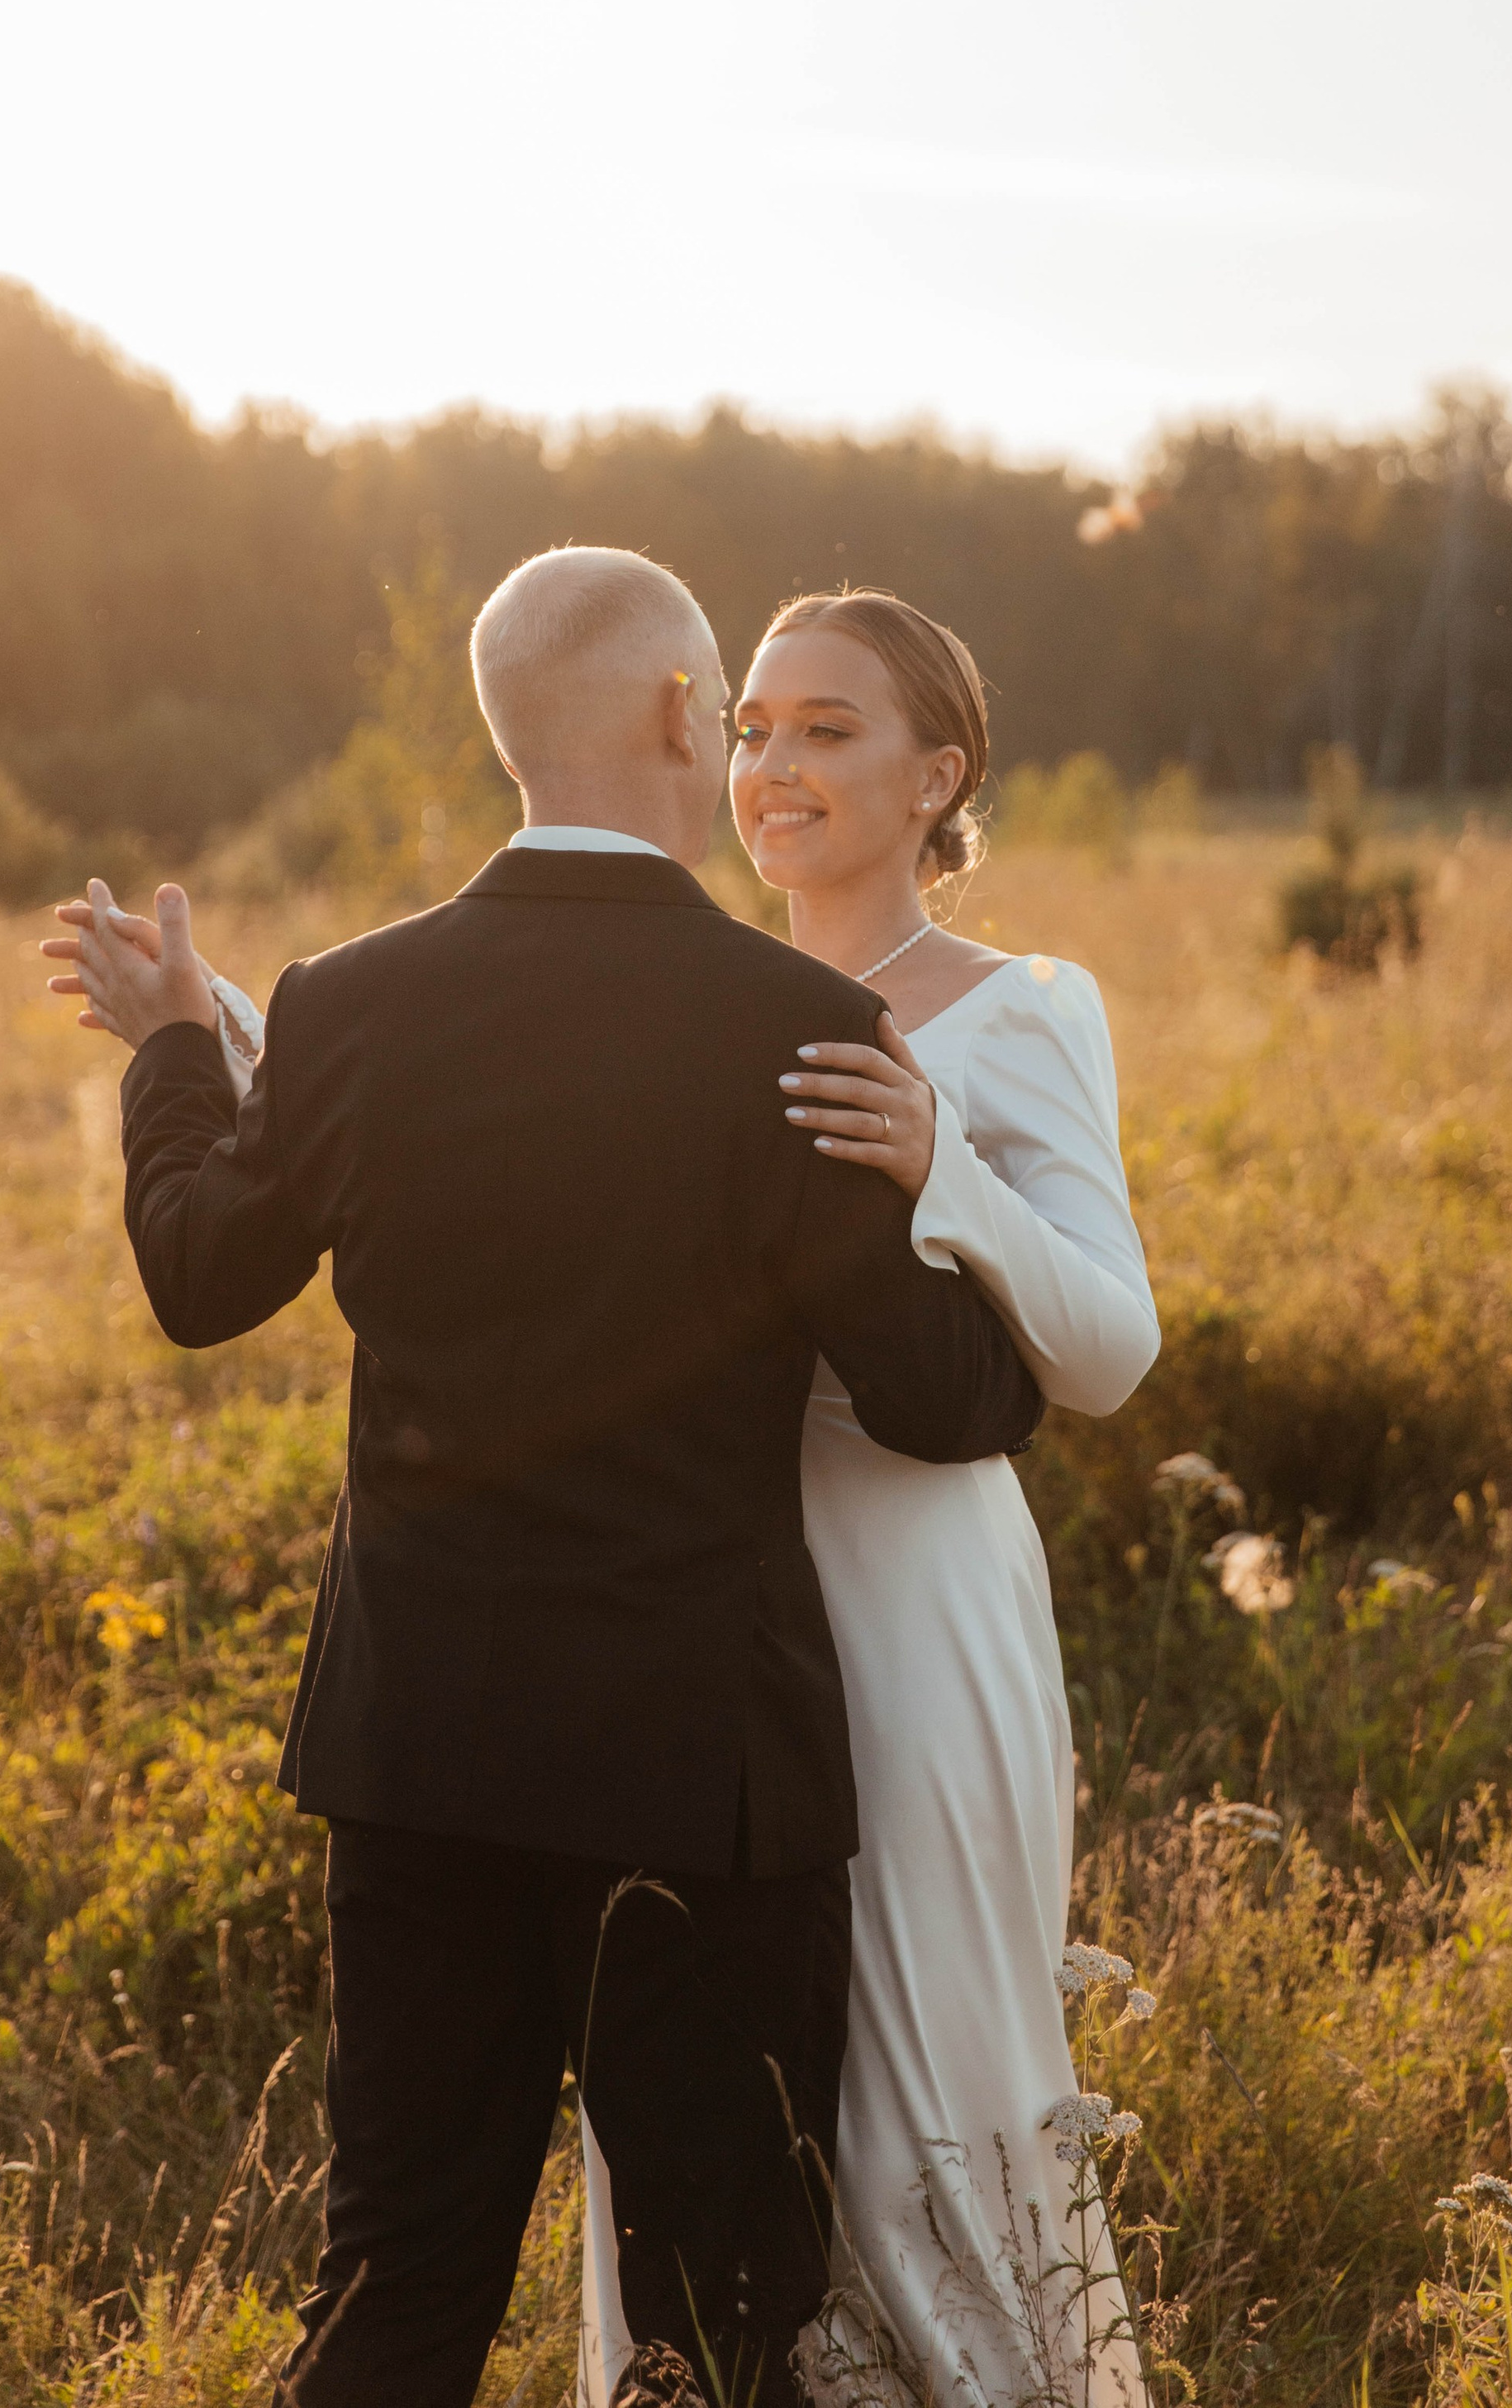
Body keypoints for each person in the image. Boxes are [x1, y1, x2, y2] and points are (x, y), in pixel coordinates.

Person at [43, 548, 1044, 2408]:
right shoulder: (795, 1028)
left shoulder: (351, 1002)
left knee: (398, 2287)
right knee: (713, 2327)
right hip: (701, 1784)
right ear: (682, 714)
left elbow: (197, 1274)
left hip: (417, 1753)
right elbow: (948, 1401)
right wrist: (950, 1188)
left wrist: (181, 1049)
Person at [581, 588, 1162, 2408]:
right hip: (698, 1598)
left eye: (827, 730)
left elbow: (1109, 1346)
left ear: (937, 775)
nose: (772, 766)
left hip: (913, 1593)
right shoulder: (675, 995)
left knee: (914, 2053)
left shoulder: (1018, 1012)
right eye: (751, 726)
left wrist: (945, 1170)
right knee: (682, 2058)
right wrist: (214, 1035)